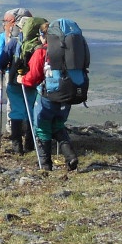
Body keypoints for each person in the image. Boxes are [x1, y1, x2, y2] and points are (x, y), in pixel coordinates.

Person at [17, 20, 79, 172]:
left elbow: (33, 77)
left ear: (45, 36)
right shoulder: (68, 49)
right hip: (67, 95)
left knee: (42, 128)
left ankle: (45, 166)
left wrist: (22, 79)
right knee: (58, 125)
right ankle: (70, 157)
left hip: (48, 96)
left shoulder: (42, 51)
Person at [0, 7, 35, 156]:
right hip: (32, 81)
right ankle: (30, 144)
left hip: (14, 80)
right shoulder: (38, 42)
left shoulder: (13, 42)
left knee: (16, 110)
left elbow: (2, 61)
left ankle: (17, 146)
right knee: (31, 110)